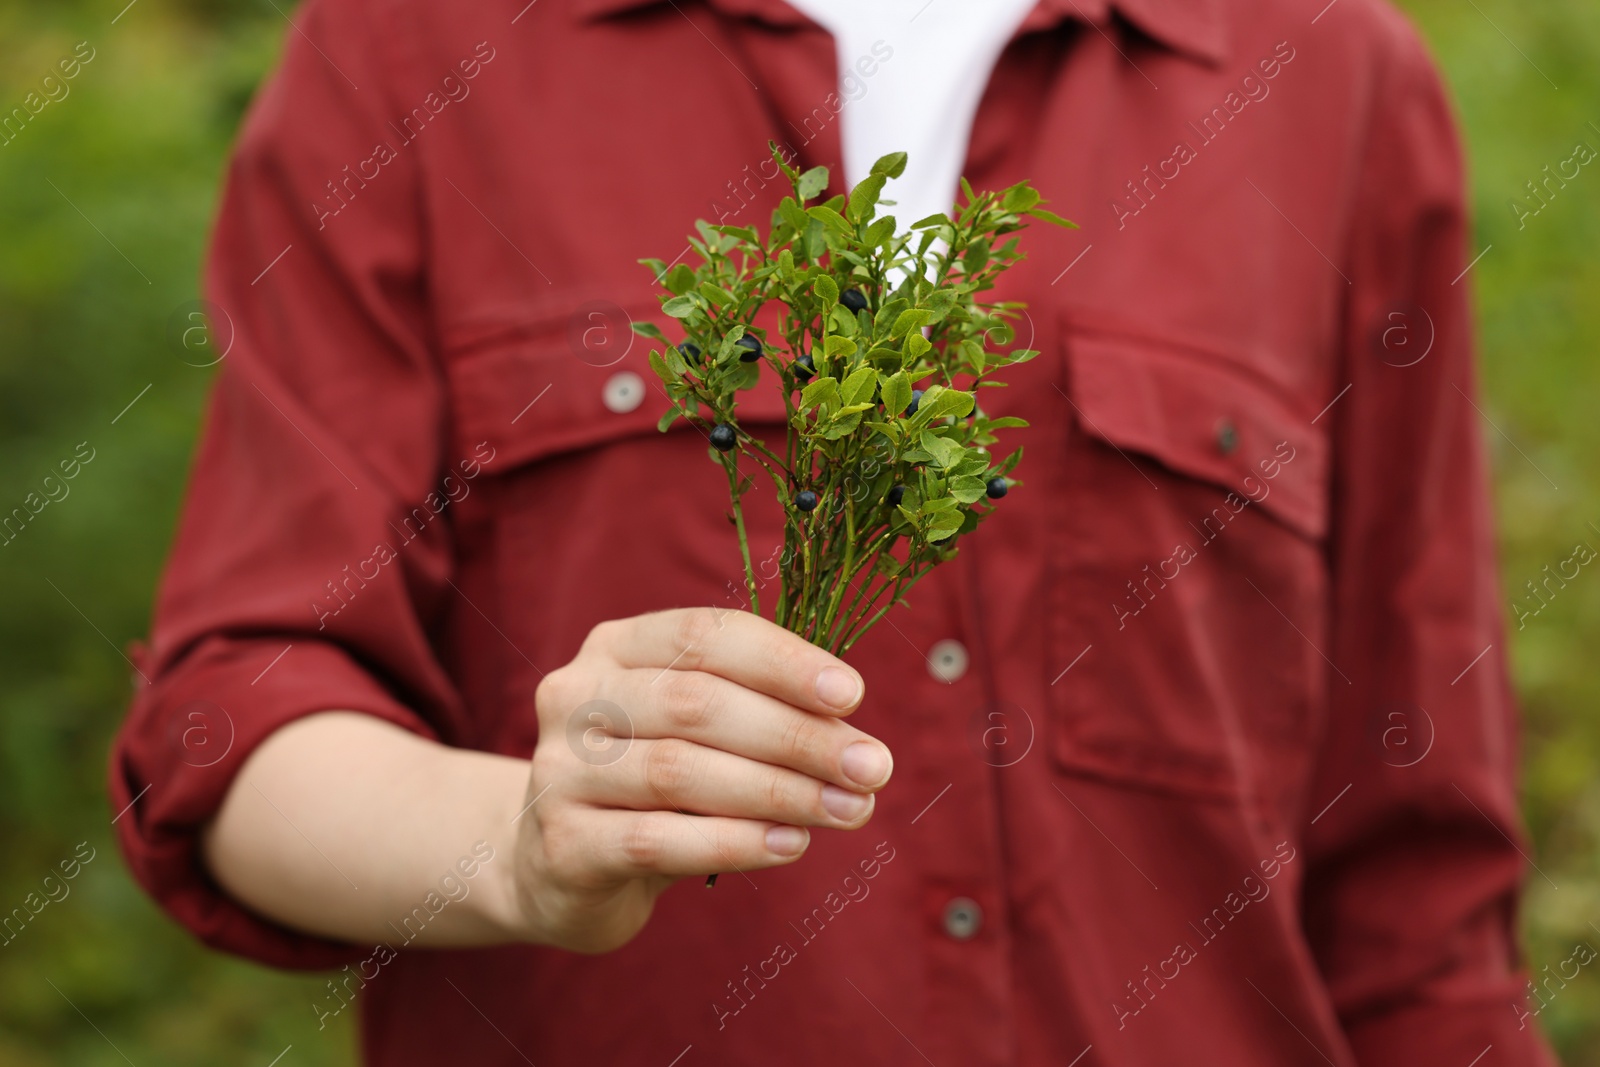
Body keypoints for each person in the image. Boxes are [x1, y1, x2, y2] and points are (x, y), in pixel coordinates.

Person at [110, 0, 1558, 1062]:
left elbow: (1415, 885)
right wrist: (521, 844)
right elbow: (230, 726)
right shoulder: (417, 50)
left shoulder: (1323, 69)